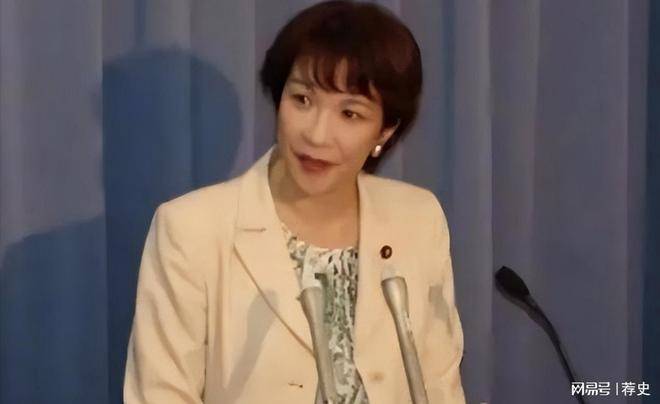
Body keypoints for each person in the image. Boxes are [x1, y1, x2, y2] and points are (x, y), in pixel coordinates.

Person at [123, 1, 466, 403]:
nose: (316, 135)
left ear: (385, 131)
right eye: (302, 99)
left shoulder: (418, 218)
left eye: (350, 114)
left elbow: (439, 382)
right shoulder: (190, 229)